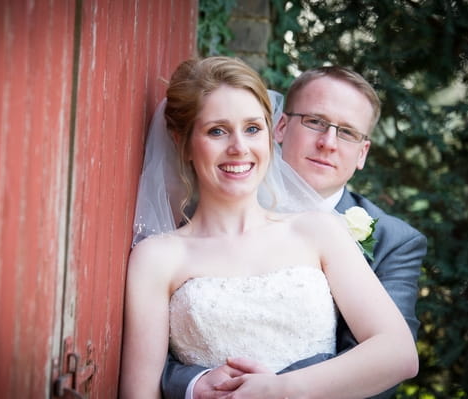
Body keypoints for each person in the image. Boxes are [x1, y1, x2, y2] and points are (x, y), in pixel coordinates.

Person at [120, 56, 419, 399]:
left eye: (252, 128)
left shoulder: (319, 231)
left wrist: (279, 390)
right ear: (183, 142)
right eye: (217, 131)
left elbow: (399, 353)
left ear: (270, 132)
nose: (239, 148)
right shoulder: (156, 257)